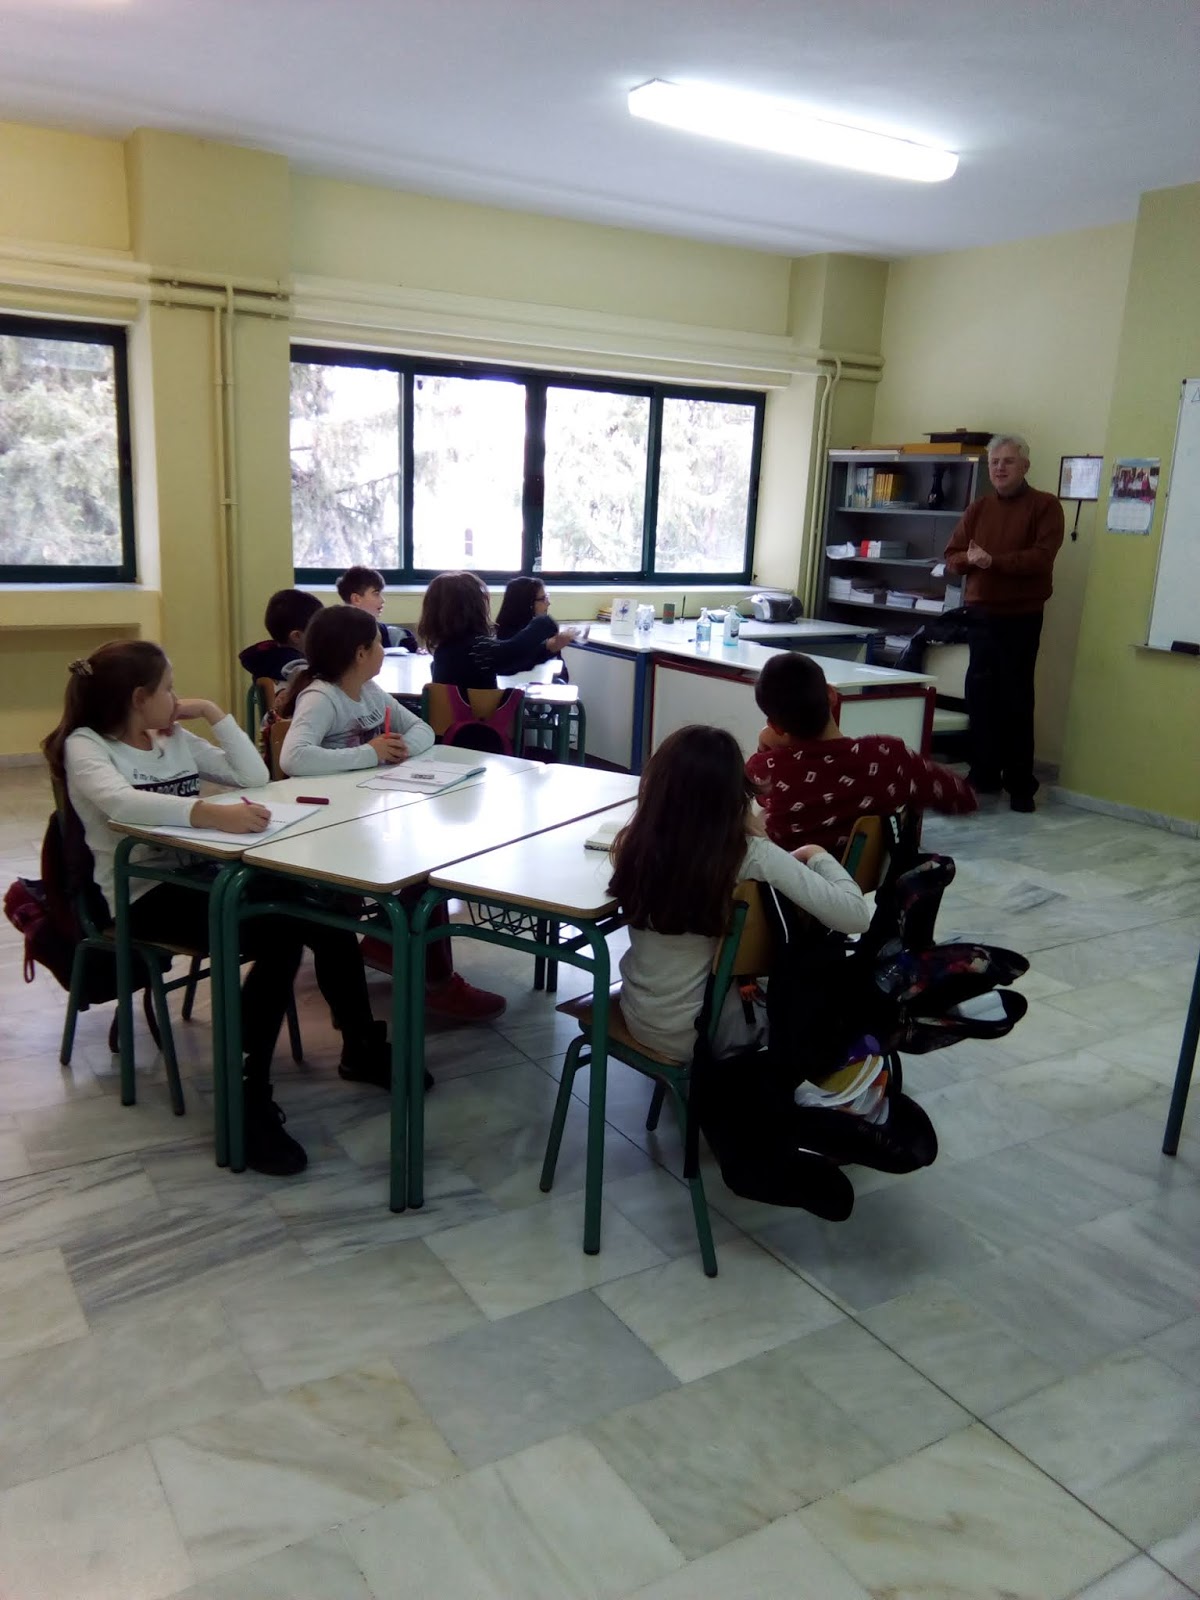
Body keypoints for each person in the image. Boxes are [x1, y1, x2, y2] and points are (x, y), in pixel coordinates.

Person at [43, 640, 397, 1178]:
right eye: (168, 689)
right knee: (280, 934)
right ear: (139, 698)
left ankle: (361, 1045)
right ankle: (246, 1096)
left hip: (203, 878)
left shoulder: (170, 736)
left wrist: (213, 714)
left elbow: (254, 778)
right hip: (144, 896)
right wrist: (209, 814)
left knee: (321, 906)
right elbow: (121, 803)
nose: (176, 698)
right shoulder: (86, 745)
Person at [278, 606, 506, 1022]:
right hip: (328, 828)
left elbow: (421, 730)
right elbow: (294, 758)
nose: (384, 650)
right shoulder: (321, 697)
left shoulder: (370, 691)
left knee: (428, 864)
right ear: (360, 653)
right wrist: (371, 753)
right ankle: (433, 979)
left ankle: (390, 941)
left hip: (365, 813)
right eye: (378, 643)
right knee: (421, 872)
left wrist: (396, 749)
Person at [609, 725, 871, 1064]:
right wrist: (818, 854)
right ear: (736, 794)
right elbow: (856, 916)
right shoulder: (749, 854)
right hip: (709, 1032)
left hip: (640, 1016)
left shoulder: (634, 844)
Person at [746, 652, 976, 856]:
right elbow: (963, 798)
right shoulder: (888, 756)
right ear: (832, 695)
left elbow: (752, 800)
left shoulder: (767, 770)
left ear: (775, 726)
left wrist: (764, 748)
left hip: (790, 888)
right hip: (859, 885)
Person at [944, 433, 1064, 811]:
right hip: (981, 615)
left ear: (1025, 466)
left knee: (1015, 699)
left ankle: (1020, 784)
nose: (999, 468)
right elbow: (952, 556)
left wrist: (992, 562)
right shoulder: (979, 508)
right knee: (980, 698)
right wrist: (970, 560)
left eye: (1008, 461)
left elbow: (1041, 558)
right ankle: (983, 775)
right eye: (994, 462)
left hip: (1021, 617)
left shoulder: (1045, 506)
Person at [238, 588, 323, 689]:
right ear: (297, 636)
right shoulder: (294, 668)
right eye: (317, 631)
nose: (322, 636)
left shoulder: (266, 659)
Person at [492, 577, 579, 673]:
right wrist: (548, 648)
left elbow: (559, 668)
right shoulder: (507, 634)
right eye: (543, 599)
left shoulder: (544, 628)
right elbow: (515, 665)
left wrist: (552, 647)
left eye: (547, 597)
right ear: (526, 603)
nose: (548, 603)